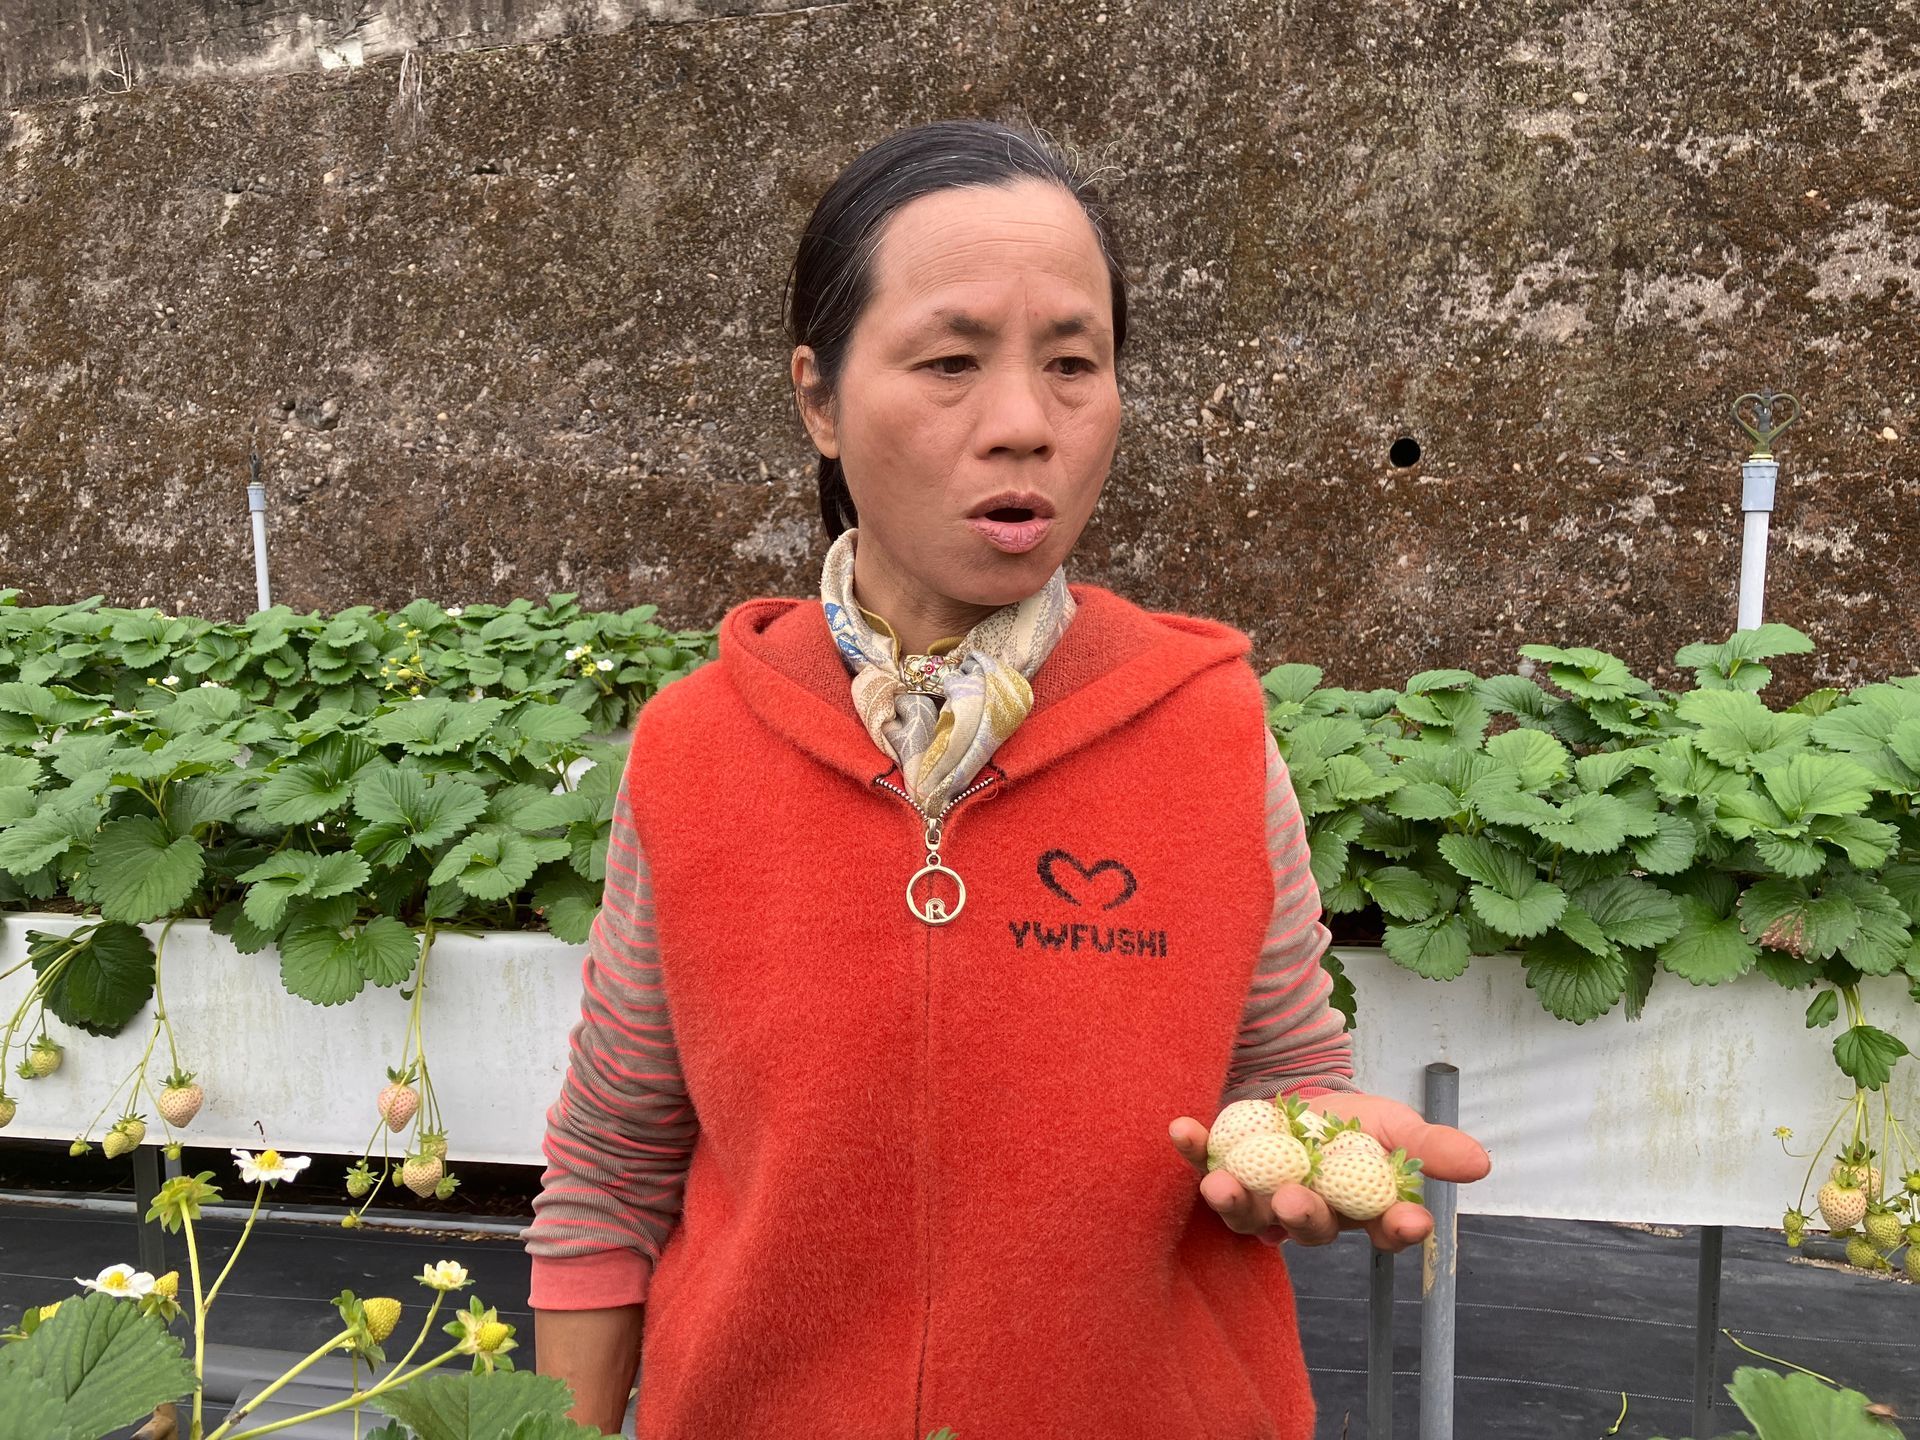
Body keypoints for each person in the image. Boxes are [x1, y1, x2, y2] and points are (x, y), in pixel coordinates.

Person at [523, 117, 1490, 1440]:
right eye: (950, 362)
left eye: (1074, 364)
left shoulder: (1209, 725)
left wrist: (1310, 1140)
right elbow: (611, 1168)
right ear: (818, 398)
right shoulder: (696, 746)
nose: (1026, 425)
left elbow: (1284, 1067)